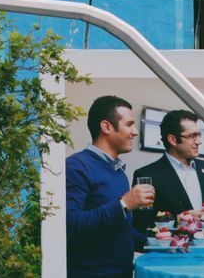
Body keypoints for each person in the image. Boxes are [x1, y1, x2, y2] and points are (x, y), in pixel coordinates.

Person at [65, 96, 153, 277]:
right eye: (129, 124)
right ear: (106, 127)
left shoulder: (118, 171)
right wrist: (123, 204)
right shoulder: (76, 166)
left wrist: (159, 243)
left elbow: (120, 232)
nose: (135, 132)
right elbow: (69, 225)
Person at [131, 110, 204, 234]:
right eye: (191, 136)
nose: (199, 141)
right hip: (172, 251)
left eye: (199, 135)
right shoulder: (147, 175)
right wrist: (176, 221)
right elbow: (142, 225)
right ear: (173, 140)